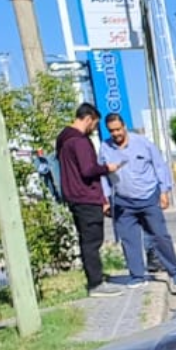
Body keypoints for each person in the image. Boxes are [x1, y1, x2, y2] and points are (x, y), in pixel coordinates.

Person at [98, 112, 176, 294]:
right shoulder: (105, 148)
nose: (115, 134)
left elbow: (159, 166)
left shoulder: (143, 143)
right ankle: (137, 275)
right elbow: (102, 176)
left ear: (124, 127)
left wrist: (164, 192)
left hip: (148, 197)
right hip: (122, 201)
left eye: (118, 129)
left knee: (160, 235)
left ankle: (174, 272)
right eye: (111, 131)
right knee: (129, 240)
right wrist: (105, 200)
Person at [53, 103, 124, 295]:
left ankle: (95, 280)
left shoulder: (63, 139)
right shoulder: (80, 141)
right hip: (85, 196)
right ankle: (96, 283)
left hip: (74, 196)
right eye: (94, 124)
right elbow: (88, 170)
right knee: (92, 241)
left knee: (87, 240)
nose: (94, 128)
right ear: (88, 119)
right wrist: (107, 168)